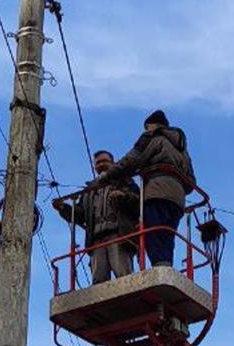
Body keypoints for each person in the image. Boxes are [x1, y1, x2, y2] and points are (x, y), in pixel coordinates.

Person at [90, 110, 196, 269]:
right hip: (177, 200)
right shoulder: (182, 150)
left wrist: (104, 178)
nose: (145, 130)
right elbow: (191, 183)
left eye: (147, 127)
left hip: (156, 193)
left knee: (153, 234)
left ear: (153, 126)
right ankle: (165, 268)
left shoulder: (151, 138)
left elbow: (130, 161)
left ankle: (160, 270)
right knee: (166, 235)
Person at [53, 150, 140, 284]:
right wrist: (63, 208)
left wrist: (124, 196)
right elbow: (80, 215)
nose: (101, 164)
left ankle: (128, 302)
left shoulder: (125, 182)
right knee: (98, 280)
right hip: (96, 240)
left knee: (124, 276)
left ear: (113, 163)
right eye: (98, 162)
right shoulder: (90, 190)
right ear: (94, 166)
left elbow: (138, 203)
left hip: (119, 235)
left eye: (105, 161)